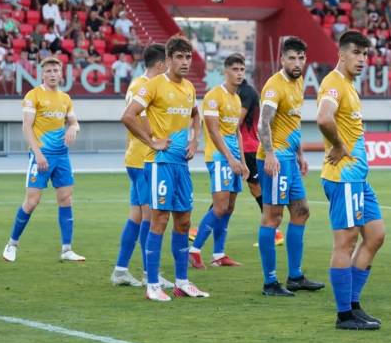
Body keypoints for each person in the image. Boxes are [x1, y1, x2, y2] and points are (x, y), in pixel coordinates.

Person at [121, 35, 208, 302]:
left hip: (181, 166)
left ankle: (181, 282)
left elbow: (196, 116)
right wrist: (151, 141)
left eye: (188, 57)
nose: (184, 62)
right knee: (159, 220)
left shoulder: (190, 88)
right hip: (159, 164)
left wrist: (195, 140)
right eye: (179, 57)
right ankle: (153, 284)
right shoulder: (153, 86)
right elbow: (128, 115)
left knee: (184, 221)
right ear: (168, 60)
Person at [316, 31, 386, 330]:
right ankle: (344, 315)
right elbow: (323, 117)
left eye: (365, 54)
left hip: (358, 180)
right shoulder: (333, 82)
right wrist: (337, 146)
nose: (362, 59)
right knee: (345, 242)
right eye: (356, 53)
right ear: (342, 54)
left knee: (375, 235)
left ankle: (354, 305)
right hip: (343, 178)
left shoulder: (349, 86)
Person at [256, 37, 324, 296]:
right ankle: (270, 282)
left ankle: (295, 276)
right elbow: (264, 124)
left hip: (290, 159)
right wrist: (271, 154)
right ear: (282, 59)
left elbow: (291, 124)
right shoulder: (275, 86)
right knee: (273, 217)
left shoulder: (298, 84)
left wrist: (301, 154)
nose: (297, 63)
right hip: (275, 160)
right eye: (292, 58)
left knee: (302, 211)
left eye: (301, 58)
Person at [2, 57, 84, 263]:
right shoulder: (33, 95)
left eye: (56, 70)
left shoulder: (65, 98)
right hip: (41, 156)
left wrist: (73, 129)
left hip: (62, 157)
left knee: (66, 199)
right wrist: (37, 153)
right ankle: (12, 244)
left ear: (61, 73)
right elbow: (26, 127)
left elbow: (74, 123)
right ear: (42, 74)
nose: (53, 73)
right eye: (49, 71)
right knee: (32, 201)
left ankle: (67, 249)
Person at [110, 44, 174, 288]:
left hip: (135, 158)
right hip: (144, 158)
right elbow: (141, 119)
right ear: (160, 65)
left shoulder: (136, 83)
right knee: (151, 215)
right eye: (167, 63)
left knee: (137, 215)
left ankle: (120, 270)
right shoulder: (145, 86)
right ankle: (150, 274)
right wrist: (155, 141)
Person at [189, 54, 250, 269]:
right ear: (226, 72)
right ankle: (194, 250)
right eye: (235, 69)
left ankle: (218, 254)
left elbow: (237, 133)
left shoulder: (237, 99)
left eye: (242, 69)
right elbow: (213, 131)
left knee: (229, 207)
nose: (239, 73)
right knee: (220, 206)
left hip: (233, 160)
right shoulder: (214, 96)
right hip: (219, 158)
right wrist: (230, 159)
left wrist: (242, 162)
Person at [238, 73, 285, 246]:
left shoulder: (247, 92)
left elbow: (236, 121)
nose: (238, 72)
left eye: (240, 69)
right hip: (242, 147)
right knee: (231, 193)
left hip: (249, 148)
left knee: (256, 189)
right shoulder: (242, 91)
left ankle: (274, 231)